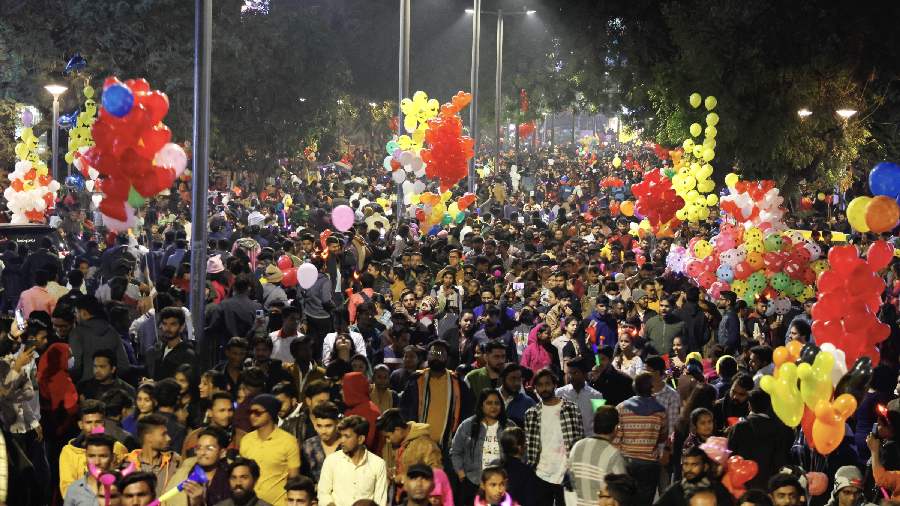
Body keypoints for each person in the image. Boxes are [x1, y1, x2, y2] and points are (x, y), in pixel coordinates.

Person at [524, 368, 585, 506]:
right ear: (535, 388)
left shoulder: (572, 409)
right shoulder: (531, 414)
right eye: (540, 385)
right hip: (541, 474)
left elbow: (580, 439)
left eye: (547, 384)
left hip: (566, 473)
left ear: (554, 385)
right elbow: (530, 444)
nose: (544, 388)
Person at [399, 340, 473, 449]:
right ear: (427, 356)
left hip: (448, 444)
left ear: (447, 357)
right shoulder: (416, 380)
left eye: (440, 354)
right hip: (418, 443)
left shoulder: (458, 382)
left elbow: (467, 412)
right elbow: (404, 409)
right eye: (433, 353)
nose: (436, 357)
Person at [450, 389, 517, 505]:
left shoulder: (509, 426)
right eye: (489, 403)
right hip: (473, 482)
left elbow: (518, 453)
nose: (494, 407)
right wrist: (461, 474)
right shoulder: (467, 425)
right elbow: (455, 451)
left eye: (497, 403)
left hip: (500, 485)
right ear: (481, 405)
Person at [615, 372, 668, 505]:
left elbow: (617, 436)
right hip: (649, 464)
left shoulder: (621, 408)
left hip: (626, 462)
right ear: (651, 388)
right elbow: (662, 437)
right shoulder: (660, 411)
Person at [238, 394, 301, 505]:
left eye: (257, 412)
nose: (252, 416)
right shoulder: (246, 440)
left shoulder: (289, 442)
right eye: (250, 412)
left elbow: (294, 480)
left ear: (271, 413)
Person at [58, 399, 129, 497]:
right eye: (89, 422)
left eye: (98, 422)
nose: (94, 427)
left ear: (104, 423)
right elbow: (66, 489)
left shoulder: (118, 448)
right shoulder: (69, 452)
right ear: (80, 424)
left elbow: (125, 484)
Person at [728, 389, 794, 491]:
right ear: (769, 405)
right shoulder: (782, 428)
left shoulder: (740, 427)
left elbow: (731, 454)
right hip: (772, 485)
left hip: (745, 484)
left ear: (749, 405)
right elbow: (784, 457)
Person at [318, 415, 389, 506]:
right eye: (341, 436)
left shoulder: (378, 464)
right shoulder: (331, 461)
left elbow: (380, 501)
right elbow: (323, 493)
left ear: (360, 439)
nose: (342, 440)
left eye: (347, 436)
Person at [568, 405, 627, 506]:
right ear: (616, 428)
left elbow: (570, 481)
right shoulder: (613, 454)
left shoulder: (577, 446)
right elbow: (620, 493)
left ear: (594, 425)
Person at [69, 295, 131, 383]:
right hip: (110, 390)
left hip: (85, 390)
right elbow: (124, 366)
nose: (75, 316)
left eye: (76, 312)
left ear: (83, 313)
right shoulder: (112, 331)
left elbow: (76, 367)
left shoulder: (77, 333)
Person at [375, 408, 442, 488]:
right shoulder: (400, 444)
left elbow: (437, 473)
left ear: (397, 430)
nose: (387, 441)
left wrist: (406, 478)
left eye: (388, 437)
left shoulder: (425, 444)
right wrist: (392, 472)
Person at [165, 427, 232, 506]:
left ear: (222, 452)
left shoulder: (231, 475)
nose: (202, 452)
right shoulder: (183, 474)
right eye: (199, 448)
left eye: (209, 448)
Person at [125, 413, 183, 496]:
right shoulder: (126, 464)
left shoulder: (175, 462)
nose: (168, 438)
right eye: (163, 434)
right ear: (149, 437)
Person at [653, 446, 734, 506]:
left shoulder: (717, 489)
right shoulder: (677, 489)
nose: (689, 469)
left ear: (705, 466)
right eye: (686, 464)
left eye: (694, 465)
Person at [182, 391, 246, 457]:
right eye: (222, 410)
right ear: (210, 412)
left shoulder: (242, 438)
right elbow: (186, 465)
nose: (227, 415)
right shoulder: (194, 438)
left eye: (230, 410)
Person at [62, 433, 117, 506]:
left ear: (113, 458)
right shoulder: (74, 489)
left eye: (103, 456)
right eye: (91, 456)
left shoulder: (122, 488)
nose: (97, 462)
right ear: (85, 457)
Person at [555, 358, 604, 436]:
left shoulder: (596, 396)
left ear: (584, 374)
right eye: (569, 373)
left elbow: (600, 422)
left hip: (588, 441)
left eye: (575, 373)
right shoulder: (559, 393)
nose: (571, 376)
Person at [147, 306, 197, 381]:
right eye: (165, 324)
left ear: (182, 327)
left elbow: (186, 383)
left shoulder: (188, 355)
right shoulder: (157, 350)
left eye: (173, 324)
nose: (168, 328)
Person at [300, 401, 342, 483]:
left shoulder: (347, 445)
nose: (323, 431)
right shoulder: (308, 446)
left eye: (328, 426)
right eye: (319, 426)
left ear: (337, 424)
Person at [343, 371, 382, 449]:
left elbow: (365, 446)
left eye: (344, 388)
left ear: (352, 389)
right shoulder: (355, 409)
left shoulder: (370, 412)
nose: (341, 392)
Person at [498, 363, 535, 427]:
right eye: (513, 378)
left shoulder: (528, 402)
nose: (517, 383)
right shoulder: (490, 397)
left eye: (519, 379)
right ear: (502, 379)